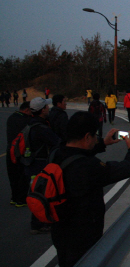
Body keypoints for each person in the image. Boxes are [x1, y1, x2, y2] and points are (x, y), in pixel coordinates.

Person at [50, 111, 130, 267]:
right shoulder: (88, 167)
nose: (95, 139)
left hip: (59, 230)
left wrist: (102, 143)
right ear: (87, 137)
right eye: (94, 136)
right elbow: (126, 168)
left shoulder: (56, 153)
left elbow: (76, 153)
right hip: (83, 235)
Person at [27, 97, 62, 233]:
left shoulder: (30, 124)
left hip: (31, 164)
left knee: (36, 192)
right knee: (41, 193)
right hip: (39, 164)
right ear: (42, 110)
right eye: (46, 107)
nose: (48, 108)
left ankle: (38, 222)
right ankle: (39, 223)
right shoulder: (41, 128)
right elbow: (56, 142)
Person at [6, 101, 32, 207]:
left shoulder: (11, 117)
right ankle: (21, 199)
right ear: (27, 110)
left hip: (10, 150)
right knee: (22, 175)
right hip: (21, 151)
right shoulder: (26, 120)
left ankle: (14, 197)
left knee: (13, 176)